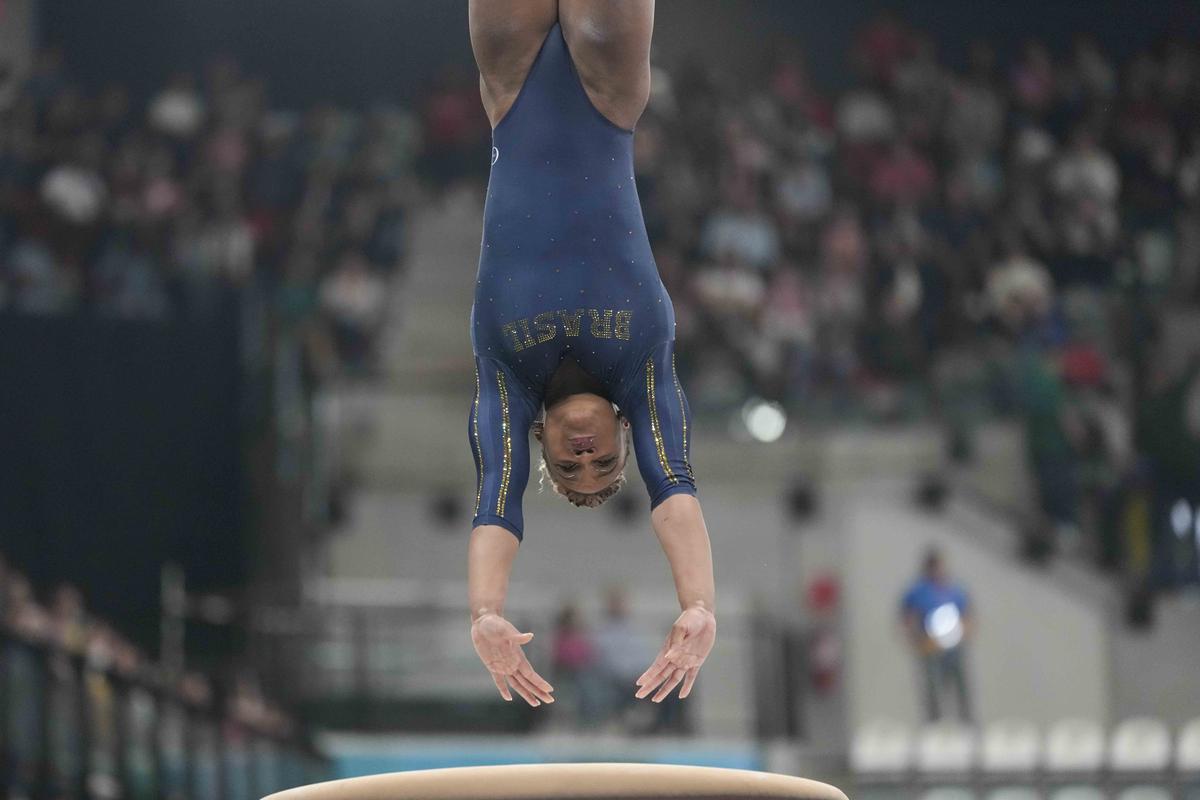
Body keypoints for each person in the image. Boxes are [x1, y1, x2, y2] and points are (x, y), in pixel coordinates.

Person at [464, 0, 716, 709]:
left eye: (568, 465)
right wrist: (697, 603)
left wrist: (485, 614)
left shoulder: (507, 382)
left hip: (509, 89)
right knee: (604, 29)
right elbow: (675, 491)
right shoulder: (641, 367)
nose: (583, 451)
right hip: (608, 99)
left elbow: (495, 507)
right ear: (622, 430)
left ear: (540, 441)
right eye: (603, 460)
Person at [900, 548, 974, 723]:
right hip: (930, 645)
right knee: (933, 687)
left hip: (953, 646)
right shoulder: (918, 591)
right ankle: (935, 722)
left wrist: (962, 634)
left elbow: (967, 615)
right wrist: (916, 640)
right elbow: (907, 617)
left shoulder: (955, 589)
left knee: (960, 685)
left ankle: (965, 720)